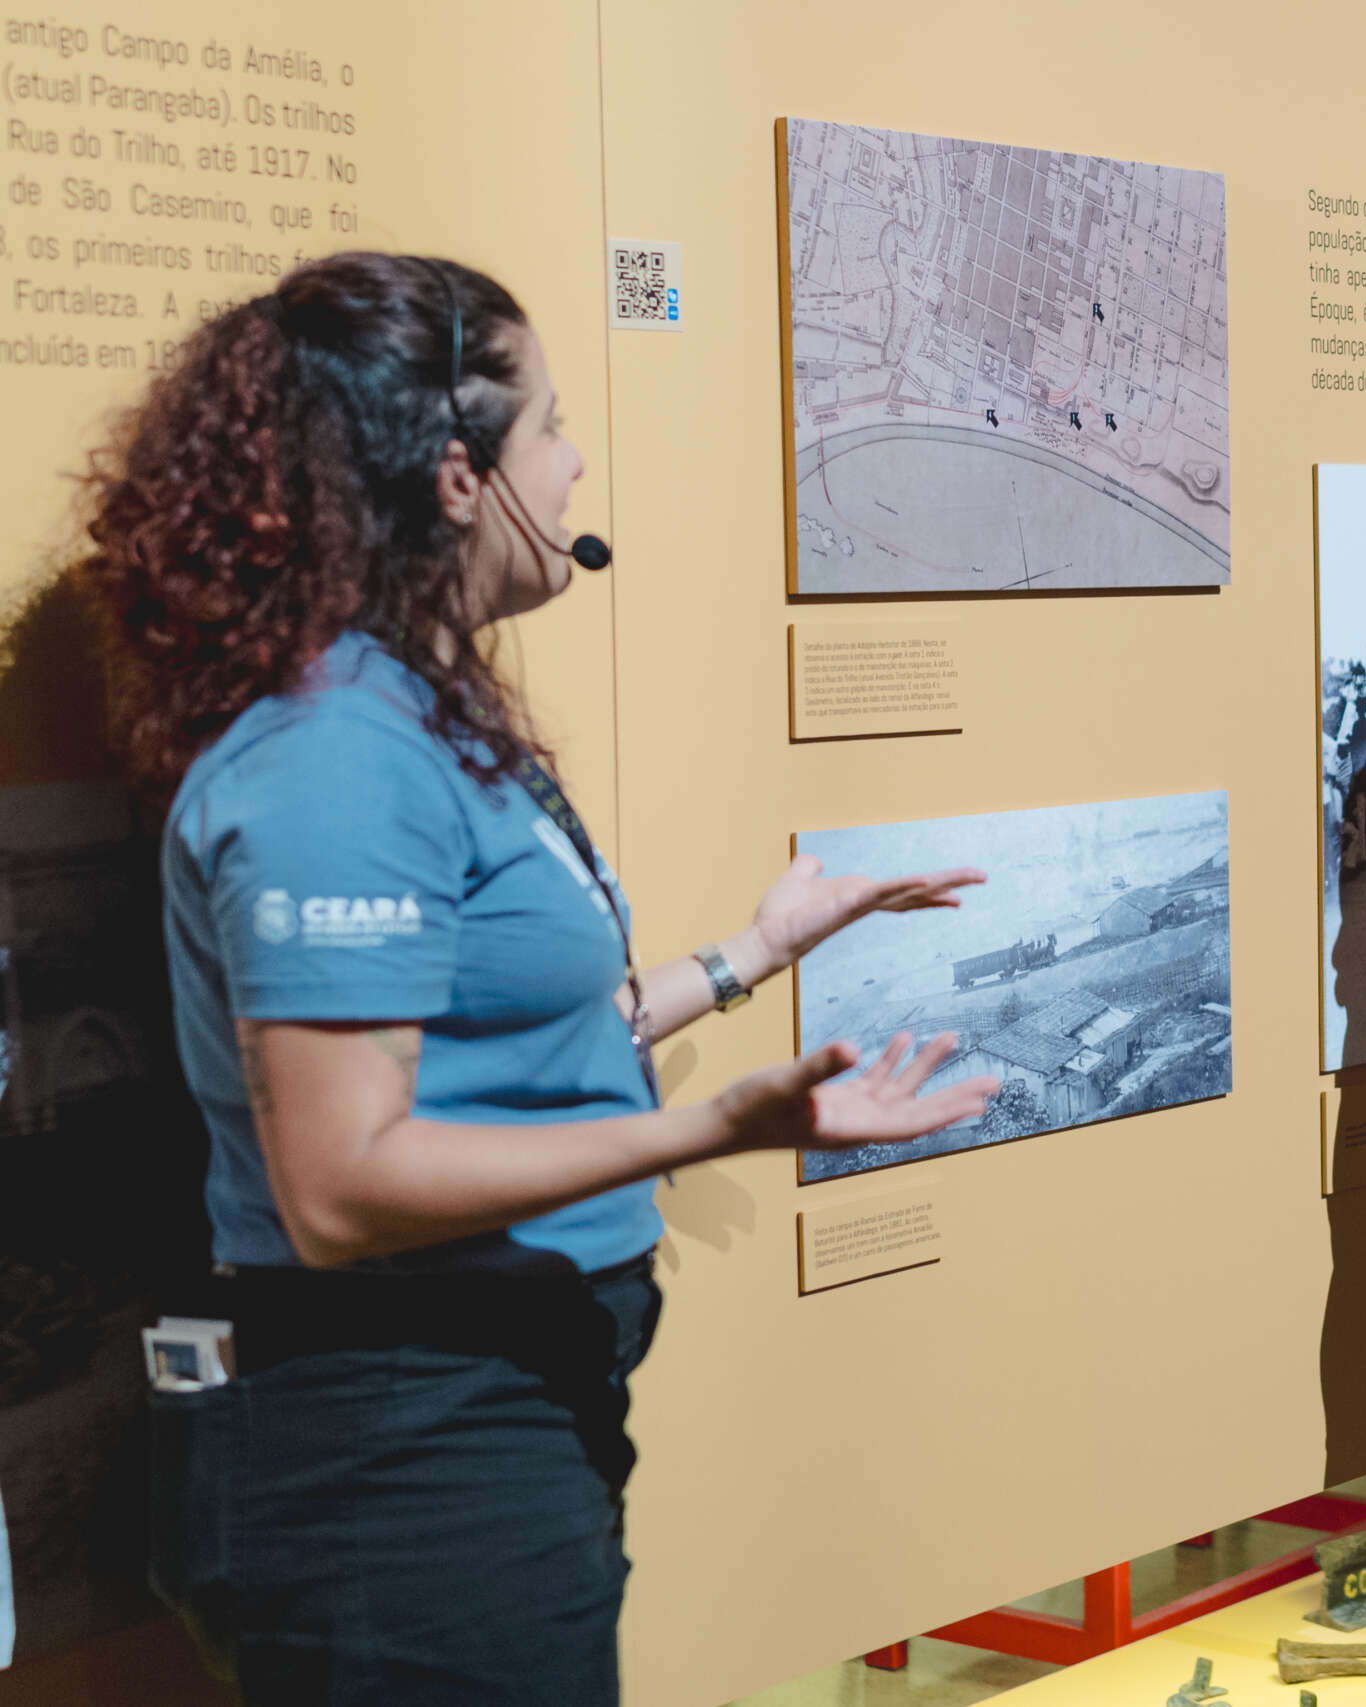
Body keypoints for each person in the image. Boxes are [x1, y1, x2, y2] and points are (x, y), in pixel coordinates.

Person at [77, 252, 999, 1705]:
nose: (572, 467)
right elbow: (338, 1183)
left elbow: (499, 1054)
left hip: (483, 1409)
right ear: (459, 477)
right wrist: (719, 1123)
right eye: (552, 426)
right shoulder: (334, 756)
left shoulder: (413, 722)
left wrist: (753, 952)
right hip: (395, 1445)